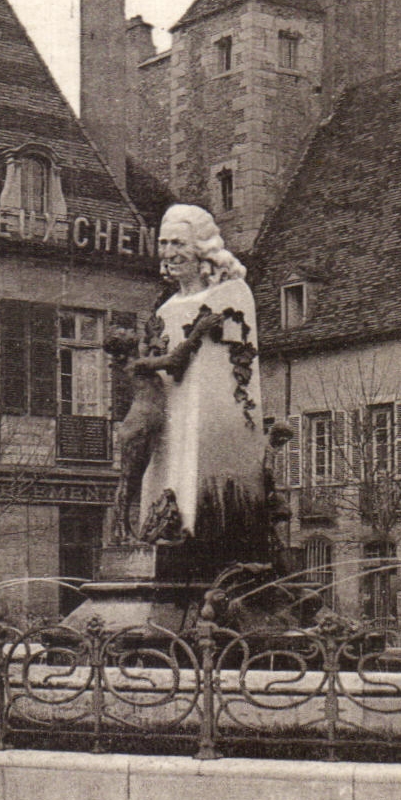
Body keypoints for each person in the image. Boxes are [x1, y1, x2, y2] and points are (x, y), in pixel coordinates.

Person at [131, 204, 268, 556]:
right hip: (172, 425)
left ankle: (194, 528)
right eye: (163, 244)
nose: (168, 253)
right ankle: (161, 526)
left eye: (178, 243)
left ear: (202, 249)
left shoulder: (231, 295)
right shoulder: (165, 309)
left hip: (213, 431)